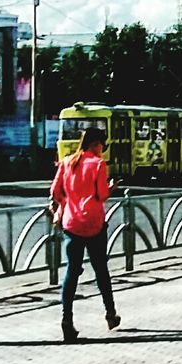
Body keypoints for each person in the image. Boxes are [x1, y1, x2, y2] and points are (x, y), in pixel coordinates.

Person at [50, 127, 121, 343]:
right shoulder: (98, 165)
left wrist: (67, 203)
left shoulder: (67, 162)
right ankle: (110, 314)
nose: (103, 151)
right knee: (101, 269)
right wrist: (111, 187)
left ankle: (67, 320)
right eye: (102, 146)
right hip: (94, 224)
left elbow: (55, 192)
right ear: (96, 144)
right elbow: (101, 195)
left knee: (71, 272)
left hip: (71, 224)